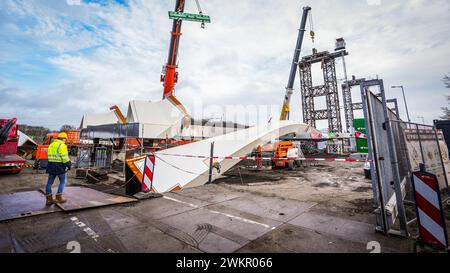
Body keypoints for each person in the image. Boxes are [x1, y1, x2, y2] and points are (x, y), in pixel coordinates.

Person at [45, 132, 72, 205]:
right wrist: (69, 165)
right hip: (60, 166)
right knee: (63, 181)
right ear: (63, 139)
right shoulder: (62, 145)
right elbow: (65, 158)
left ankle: (49, 199)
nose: (65, 140)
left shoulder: (51, 144)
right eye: (65, 139)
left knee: (49, 182)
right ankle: (59, 197)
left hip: (51, 165)